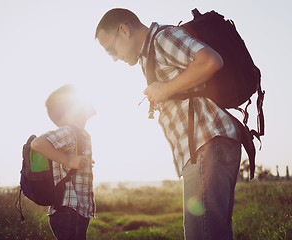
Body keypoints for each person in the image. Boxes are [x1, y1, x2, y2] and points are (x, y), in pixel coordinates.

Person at [95, 8, 241, 240]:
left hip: (206, 143)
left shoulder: (162, 38)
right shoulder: (147, 56)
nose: (114, 58)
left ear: (123, 30)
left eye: (111, 50)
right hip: (205, 147)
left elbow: (210, 61)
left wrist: (166, 88)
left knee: (202, 235)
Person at [31, 84, 96, 240]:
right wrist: (68, 160)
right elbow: (37, 143)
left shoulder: (78, 134)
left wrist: (80, 162)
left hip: (76, 210)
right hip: (68, 210)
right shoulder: (68, 131)